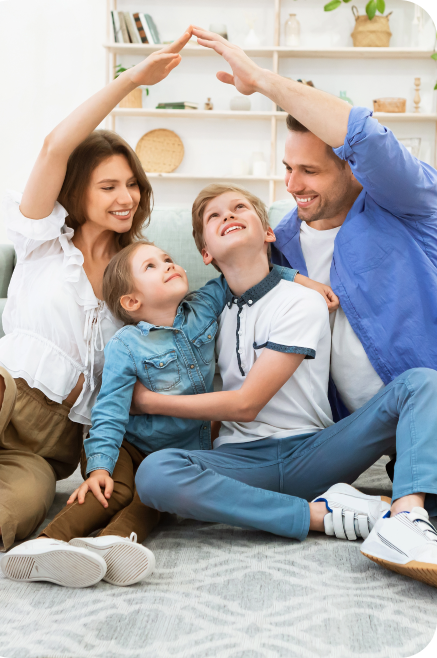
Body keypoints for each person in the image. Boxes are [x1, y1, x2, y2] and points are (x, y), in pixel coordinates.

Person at [0, 191, 338, 588]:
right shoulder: (126, 344)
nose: (167, 265)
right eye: (151, 265)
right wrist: (100, 466)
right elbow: (109, 410)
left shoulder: (204, 307)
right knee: (112, 488)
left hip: (183, 452)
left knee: (151, 499)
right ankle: (46, 544)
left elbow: (247, 274)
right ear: (131, 300)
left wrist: (303, 280)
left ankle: (113, 544)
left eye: (167, 259)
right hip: (130, 445)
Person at [133, 183, 437, 590]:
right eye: (214, 216)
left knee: (420, 383)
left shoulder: (301, 301)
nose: (228, 216)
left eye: (239, 207)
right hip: (241, 463)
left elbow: (246, 405)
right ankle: (320, 515)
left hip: (312, 453)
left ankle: (404, 518)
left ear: (268, 233)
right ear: (206, 254)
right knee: (154, 473)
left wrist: (150, 403)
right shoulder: (207, 310)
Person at [0, 29, 193, 566]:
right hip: (5, 394)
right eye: (108, 186)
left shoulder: (138, 269)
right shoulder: (43, 238)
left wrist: (292, 278)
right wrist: (133, 80)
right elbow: (55, 145)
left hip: (55, 441)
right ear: (77, 191)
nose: (126, 197)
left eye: (132, 184)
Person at [187, 29, 437, 438]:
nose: (292, 185)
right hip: (353, 435)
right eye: (288, 168)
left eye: (310, 171)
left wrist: (261, 80)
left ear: (350, 166)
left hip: (428, 416)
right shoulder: (277, 244)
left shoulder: (404, 201)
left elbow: (366, 137)